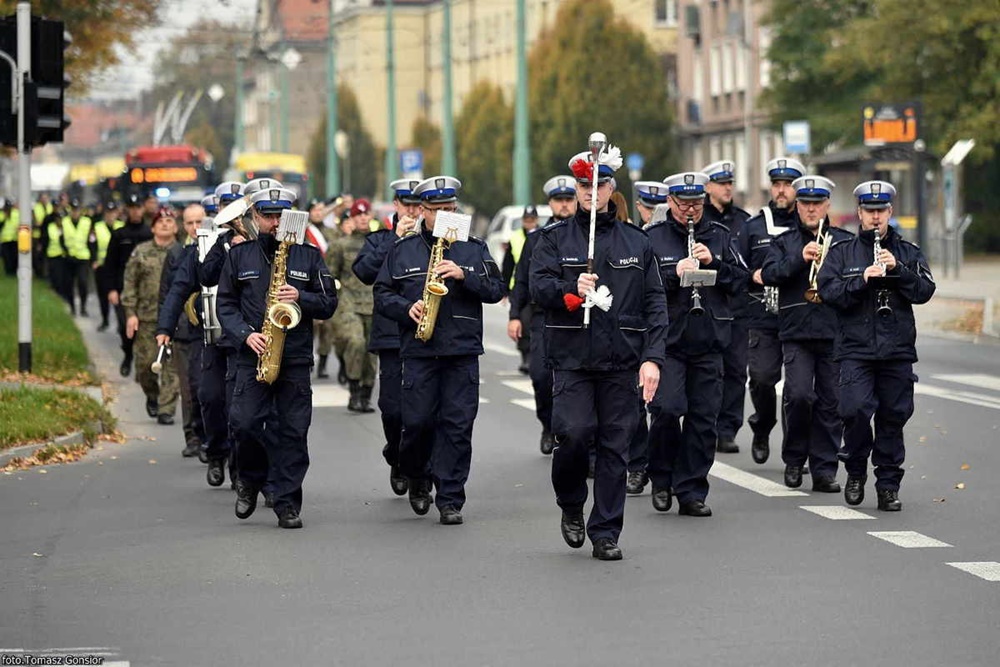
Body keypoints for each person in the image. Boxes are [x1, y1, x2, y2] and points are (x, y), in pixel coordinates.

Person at [531, 146, 668, 561]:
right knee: (572, 436)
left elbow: (655, 303)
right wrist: (571, 292)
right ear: (576, 188)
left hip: (621, 360)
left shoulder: (636, 241)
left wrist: (653, 357)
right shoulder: (553, 239)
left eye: (601, 185)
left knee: (615, 448)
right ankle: (571, 503)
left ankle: (606, 531)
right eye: (585, 185)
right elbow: (539, 288)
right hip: (572, 358)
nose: (592, 192)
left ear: (613, 188)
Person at [374, 175, 505, 527]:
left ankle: (450, 497)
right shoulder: (403, 250)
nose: (446, 215)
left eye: (451, 209)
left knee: (458, 426)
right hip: (419, 350)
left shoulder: (474, 248)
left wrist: (465, 275)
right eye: (438, 210)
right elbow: (382, 295)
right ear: (423, 212)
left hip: (461, 351)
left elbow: (496, 289)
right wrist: (407, 309)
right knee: (416, 423)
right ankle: (417, 475)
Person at [217, 187, 337, 529]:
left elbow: (329, 302)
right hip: (253, 354)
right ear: (255, 218)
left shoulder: (309, 256)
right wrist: (245, 334)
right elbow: (224, 304)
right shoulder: (240, 257)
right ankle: (251, 480)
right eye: (268, 216)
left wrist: (301, 296)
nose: (274, 223)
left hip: (295, 357)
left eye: (281, 217)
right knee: (244, 424)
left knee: (294, 432)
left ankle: (287, 503)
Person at [818, 180, 935, 511]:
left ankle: (888, 485)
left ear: (890, 212)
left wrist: (899, 270)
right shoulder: (842, 254)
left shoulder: (908, 252)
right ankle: (856, 469)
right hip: (855, 350)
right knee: (854, 411)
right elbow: (828, 293)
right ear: (859, 213)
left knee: (892, 418)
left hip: (896, 349)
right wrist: (860, 281)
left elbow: (926, 290)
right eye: (869, 211)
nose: (875, 218)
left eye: (881, 211)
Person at [645, 172, 748, 518]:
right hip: (669, 342)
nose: (691, 210)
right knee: (667, 410)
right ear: (670, 202)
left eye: (697, 203)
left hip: (709, 341)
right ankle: (661, 477)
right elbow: (641, 289)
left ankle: (691, 489)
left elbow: (742, 282)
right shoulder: (654, 238)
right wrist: (674, 273)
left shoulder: (719, 236)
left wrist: (713, 263)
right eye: (684, 203)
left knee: (704, 420)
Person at [761, 176, 852, 492]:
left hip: (833, 331)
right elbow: (769, 275)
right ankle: (794, 460)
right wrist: (799, 259)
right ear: (797, 206)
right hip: (796, 330)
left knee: (831, 402)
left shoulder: (842, 241)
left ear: (827, 205)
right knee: (799, 395)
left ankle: (824, 469)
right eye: (806, 204)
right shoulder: (784, 242)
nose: (811, 209)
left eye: (817, 204)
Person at [353, 178, 422, 495]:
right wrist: (396, 240)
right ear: (396, 206)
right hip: (392, 334)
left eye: (417, 205)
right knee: (392, 408)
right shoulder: (380, 240)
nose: (412, 211)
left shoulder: (433, 239)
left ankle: (421, 472)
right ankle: (396, 456)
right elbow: (365, 272)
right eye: (406, 204)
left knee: (423, 410)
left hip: (425, 334)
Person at [736, 157, 806, 464]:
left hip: (801, 316)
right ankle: (762, 426)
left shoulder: (809, 226)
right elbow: (737, 269)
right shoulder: (753, 227)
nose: (781, 191)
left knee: (797, 389)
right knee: (763, 378)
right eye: (777, 185)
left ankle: (795, 451)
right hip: (763, 315)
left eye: (788, 186)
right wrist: (753, 276)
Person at [508, 176, 578, 456]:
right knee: (540, 377)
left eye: (568, 199)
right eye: (559, 200)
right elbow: (522, 280)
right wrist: (515, 315)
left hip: (575, 319)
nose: (564, 204)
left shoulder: (586, 236)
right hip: (542, 318)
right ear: (550, 203)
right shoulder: (537, 238)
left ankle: (571, 432)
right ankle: (548, 425)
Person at [622, 180, 671, 495]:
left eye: (659, 207)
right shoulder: (633, 238)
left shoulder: (657, 237)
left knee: (667, 409)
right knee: (638, 406)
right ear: (639, 207)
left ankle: (663, 469)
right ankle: (638, 467)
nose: (654, 213)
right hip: (641, 331)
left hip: (672, 329)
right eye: (649, 207)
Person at [701, 161, 752, 454]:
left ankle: (728, 428)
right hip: (708, 309)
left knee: (735, 371)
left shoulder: (744, 221)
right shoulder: (700, 219)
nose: (727, 188)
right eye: (721, 183)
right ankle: (707, 423)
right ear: (708, 188)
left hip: (737, 308)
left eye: (730, 182)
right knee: (710, 370)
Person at [156, 204, 208, 461]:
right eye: (190, 223)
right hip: (184, 331)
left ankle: (209, 436)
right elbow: (168, 293)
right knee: (188, 388)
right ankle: (192, 437)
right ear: (183, 225)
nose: (195, 227)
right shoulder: (177, 252)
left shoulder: (215, 247)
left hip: (209, 328)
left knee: (206, 387)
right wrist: (165, 328)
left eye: (200, 221)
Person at [121, 208, 181, 425]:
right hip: (146, 318)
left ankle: (166, 409)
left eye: (169, 220)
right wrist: (130, 313)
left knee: (170, 366)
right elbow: (130, 283)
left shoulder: (183, 252)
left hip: (175, 319)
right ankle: (152, 396)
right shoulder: (141, 252)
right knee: (146, 365)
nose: (165, 224)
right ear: (153, 227)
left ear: (176, 226)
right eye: (161, 221)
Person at [326, 198, 378, 412]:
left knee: (371, 352)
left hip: (374, 304)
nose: (363, 218)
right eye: (358, 215)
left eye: (366, 214)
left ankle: (366, 395)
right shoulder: (340, 245)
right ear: (353, 218)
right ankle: (354, 391)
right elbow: (329, 276)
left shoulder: (378, 243)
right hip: (349, 303)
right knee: (356, 343)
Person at [106, 194, 153, 377]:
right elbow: (110, 264)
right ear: (127, 209)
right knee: (124, 328)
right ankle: (128, 355)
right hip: (123, 290)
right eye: (132, 207)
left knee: (143, 330)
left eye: (138, 207)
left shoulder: (149, 233)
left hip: (146, 291)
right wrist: (111, 289)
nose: (135, 211)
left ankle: (142, 365)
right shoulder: (119, 235)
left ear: (143, 209)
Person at [504, 205, 541, 375]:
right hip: (519, 286)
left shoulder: (544, 236)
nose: (530, 222)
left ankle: (534, 358)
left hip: (536, 287)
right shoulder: (515, 237)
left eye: (532, 219)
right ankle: (526, 358)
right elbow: (508, 265)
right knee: (523, 324)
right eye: (527, 220)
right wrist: (504, 289)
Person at [92, 202, 124, 332]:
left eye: (113, 213)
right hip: (102, 265)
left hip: (118, 267)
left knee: (119, 295)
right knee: (103, 295)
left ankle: (120, 321)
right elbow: (92, 243)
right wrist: (94, 260)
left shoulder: (121, 226)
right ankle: (105, 319)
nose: (111, 216)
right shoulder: (97, 227)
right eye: (108, 213)